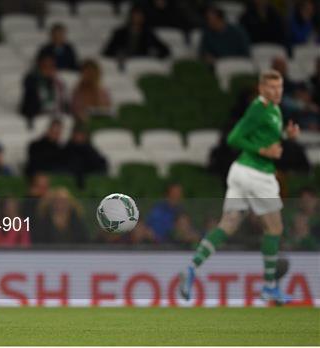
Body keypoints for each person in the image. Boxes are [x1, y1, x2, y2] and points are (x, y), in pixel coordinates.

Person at [179, 70, 301, 305]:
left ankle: (192, 267)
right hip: (257, 174)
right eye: (272, 87)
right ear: (261, 88)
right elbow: (234, 138)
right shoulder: (259, 108)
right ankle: (269, 288)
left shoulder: (274, 110)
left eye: (280, 87)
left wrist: (286, 134)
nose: (277, 91)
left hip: (240, 174)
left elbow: (265, 137)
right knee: (274, 229)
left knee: (228, 224)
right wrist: (264, 152)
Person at [103, 6, 169, 60]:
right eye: (135, 15)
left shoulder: (148, 33)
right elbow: (107, 52)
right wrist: (117, 54)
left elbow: (165, 50)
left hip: (142, 62)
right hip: (124, 62)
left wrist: (154, 55)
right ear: (131, 16)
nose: (137, 18)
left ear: (143, 17)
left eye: (140, 16)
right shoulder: (120, 33)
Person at [19, 54, 67, 125]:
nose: (48, 69)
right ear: (39, 66)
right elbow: (28, 105)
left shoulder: (59, 83)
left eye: (51, 66)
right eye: (45, 66)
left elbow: (63, 104)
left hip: (56, 118)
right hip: (38, 119)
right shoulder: (32, 81)